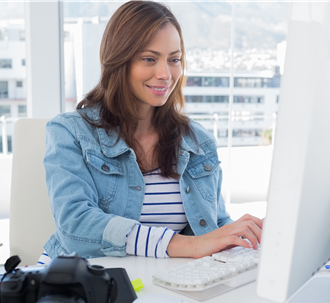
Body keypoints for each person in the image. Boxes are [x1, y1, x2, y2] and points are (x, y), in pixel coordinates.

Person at [41, 0, 262, 262]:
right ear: (118, 61)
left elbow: (212, 226)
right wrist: (186, 246)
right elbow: (75, 226)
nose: (165, 74)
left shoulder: (197, 140)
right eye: (149, 59)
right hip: (86, 282)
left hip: (166, 281)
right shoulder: (69, 132)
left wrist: (246, 236)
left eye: (174, 59)